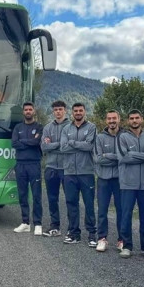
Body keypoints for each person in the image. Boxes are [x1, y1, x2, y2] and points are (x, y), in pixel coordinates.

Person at [117, 110, 144, 259]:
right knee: (126, 215)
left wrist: (133, 154)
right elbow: (123, 158)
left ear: (142, 119)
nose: (134, 120)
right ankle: (127, 246)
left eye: (137, 118)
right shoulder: (122, 137)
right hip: (127, 184)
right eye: (131, 118)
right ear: (128, 121)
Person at [60, 102, 97, 245]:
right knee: (71, 203)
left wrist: (72, 143)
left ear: (84, 112)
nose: (78, 113)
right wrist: (79, 144)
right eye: (75, 111)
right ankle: (74, 233)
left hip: (86, 172)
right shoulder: (66, 128)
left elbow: (89, 146)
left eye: (80, 110)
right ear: (72, 113)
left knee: (89, 204)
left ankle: (92, 234)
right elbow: (63, 148)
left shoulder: (91, 127)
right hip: (69, 172)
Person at [11, 102, 43, 235]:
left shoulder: (39, 127)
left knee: (36, 195)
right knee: (22, 194)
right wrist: (29, 141)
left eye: (30, 109)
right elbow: (14, 143)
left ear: (34, 111)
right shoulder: (18, 127)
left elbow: (36, 142)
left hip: (34, 164)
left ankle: (38, 224)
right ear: (23, 112)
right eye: (26, 110)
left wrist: (23, 141)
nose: (28, 111)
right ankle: (25, 222)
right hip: (20, 165)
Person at [93, 110, 122, 252]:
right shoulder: (99, 137)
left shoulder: (125, 136)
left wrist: (107, 156)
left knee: (121, 210)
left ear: (119, 119)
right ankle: (102, 238)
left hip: (120, 180)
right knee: (102, 210)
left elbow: (125, 157)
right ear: (106, 121)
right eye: (109, 118)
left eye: (114, 118)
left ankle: (122, 240)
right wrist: (116, 158)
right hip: (103, 179)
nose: (112, 121)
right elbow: (98, 159)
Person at [41, 100, 70, 237]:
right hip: (51, 167)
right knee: (52, 198)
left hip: (67, 168)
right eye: (56, 109)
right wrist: (59, 145)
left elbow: (68, 147)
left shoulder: (70, 126)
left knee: (70, 198)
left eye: (60, 109)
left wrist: (53, 144)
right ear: (53, 111)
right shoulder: (47, 127)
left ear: (65, 110)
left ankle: (72, 228)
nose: (58, 112)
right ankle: (55, 226)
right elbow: (44, 147)